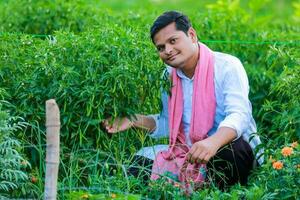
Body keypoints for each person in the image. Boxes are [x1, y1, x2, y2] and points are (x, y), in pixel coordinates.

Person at [102, 10, 262, 190]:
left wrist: (212, 142)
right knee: (137, 166)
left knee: (230, 152)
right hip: (187, 151)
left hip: (227, 150)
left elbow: (239, 115)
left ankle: (213, 191)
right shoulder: (168, 75)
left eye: (173, 41)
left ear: (191, 35)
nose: (168, 51)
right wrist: (132, 121)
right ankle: (190, 187)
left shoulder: (226, 66)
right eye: (161, 47)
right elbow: (168, 123)